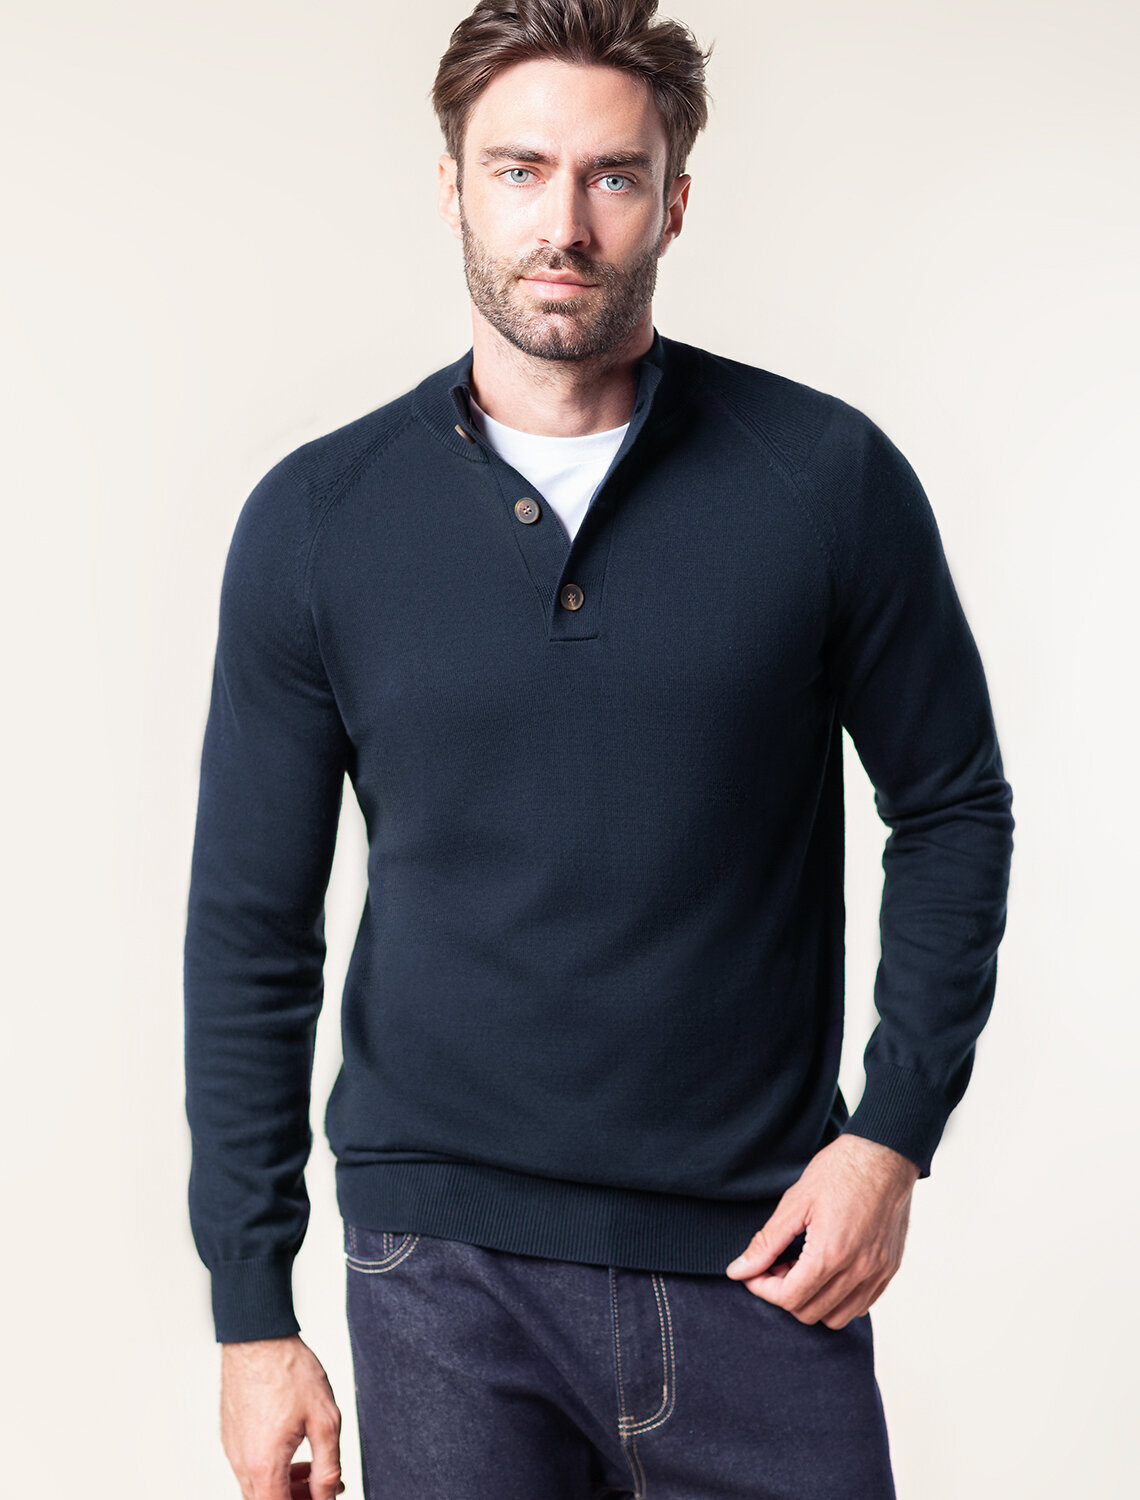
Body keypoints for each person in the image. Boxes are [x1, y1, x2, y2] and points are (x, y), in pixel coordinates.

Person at [183, 1, 1014, 1496]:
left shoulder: (824, 479)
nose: (561, 223)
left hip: (760, 1255)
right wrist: (253, 1313)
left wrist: (892, 1137)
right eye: (518, 170)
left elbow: (952, 804)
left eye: (612, 176)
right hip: (441, 1275)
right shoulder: (317, 523)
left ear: (674, 201)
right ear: (453, 187)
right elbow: (252, 927)